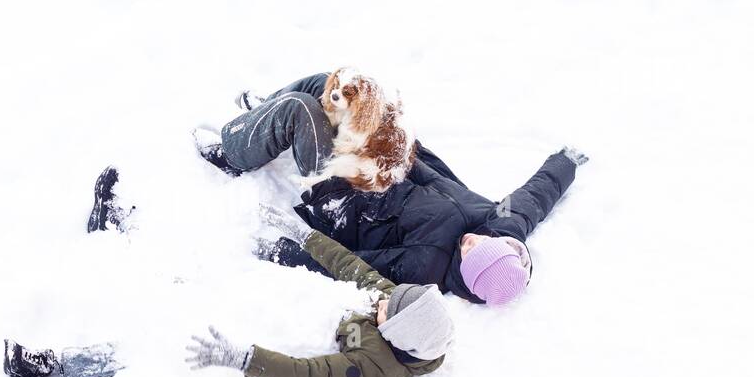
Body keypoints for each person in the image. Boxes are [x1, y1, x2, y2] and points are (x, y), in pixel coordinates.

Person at [3, 169, 456, 377]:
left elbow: (310, 375)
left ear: (398, 336)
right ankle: (115, 233)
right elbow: (352, 268)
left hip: (267, 338)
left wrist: (243, 358)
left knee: (160, 346)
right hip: (280, 300)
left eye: (386, 308)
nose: (382, 298)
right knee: (186, 284)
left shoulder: (375, 369)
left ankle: (50, 365)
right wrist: (304, 235)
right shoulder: (399, 309)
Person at [194, 71, 588, 306]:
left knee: (303, 113)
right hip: (387, 166)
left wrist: (287, 252)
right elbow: (537, 196)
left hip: (345, 199)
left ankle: (230, 154)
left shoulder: (426, 265)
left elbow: (356, 268)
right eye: (480, 241)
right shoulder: (503, 229)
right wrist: (567, 161)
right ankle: (264, 117)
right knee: (334, 87)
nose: (469, 240)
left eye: (468, 252)